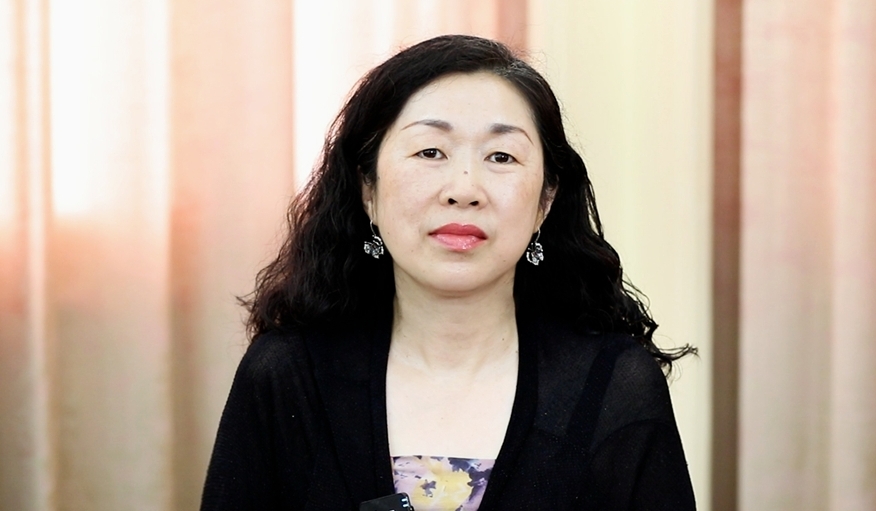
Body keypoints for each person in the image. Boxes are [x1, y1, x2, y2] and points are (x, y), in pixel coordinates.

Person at [201, 34, 696, 511]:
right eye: (430, 152)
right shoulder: (288, 374)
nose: (464, 189)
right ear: (368, 189)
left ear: (545, 202)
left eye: (501, 156)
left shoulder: (612, 384)